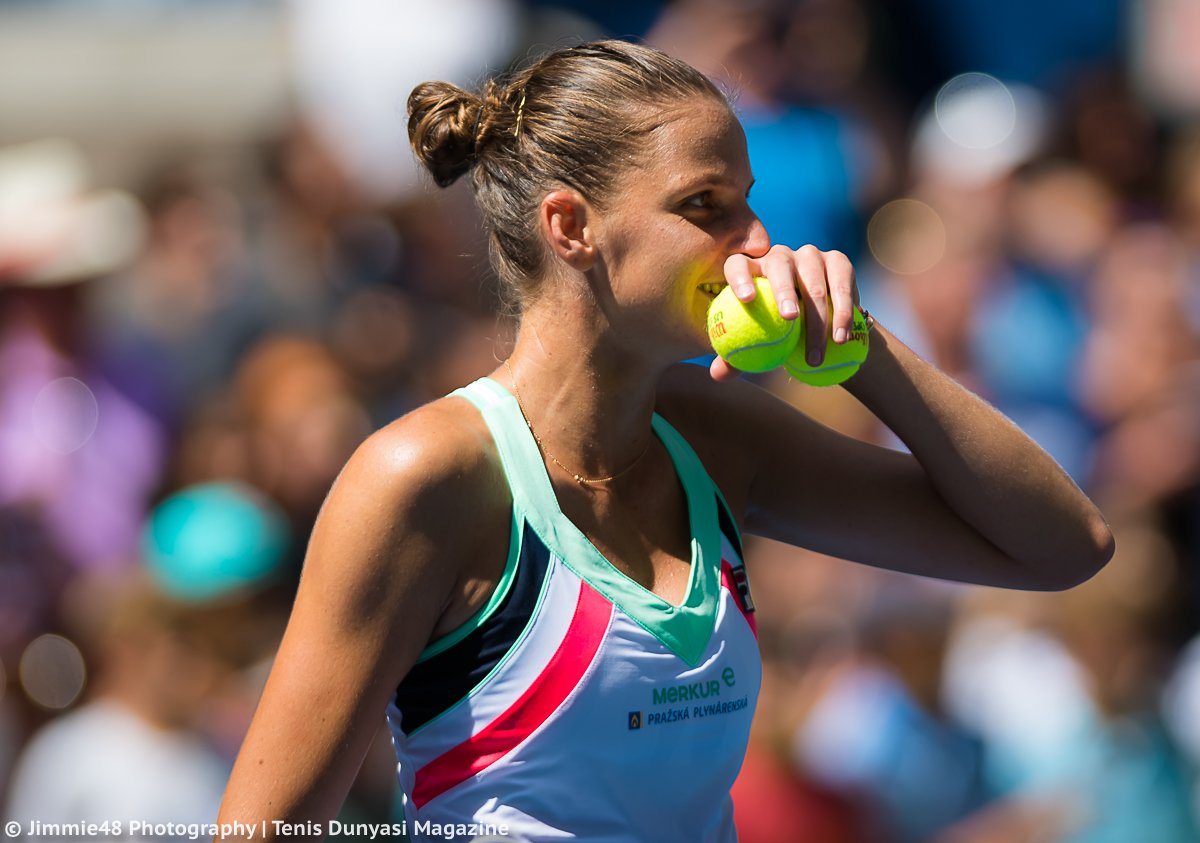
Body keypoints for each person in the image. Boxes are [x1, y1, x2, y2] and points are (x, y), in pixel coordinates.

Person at [217, 39, 1114, 842]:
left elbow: (1065, 546)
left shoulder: (719, 437)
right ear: (571, 227)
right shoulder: (425, 475)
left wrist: (861, 347)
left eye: (747, 203)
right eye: (705, 205)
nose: (757, 243)